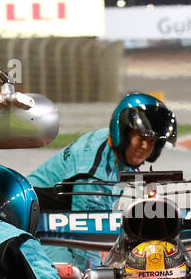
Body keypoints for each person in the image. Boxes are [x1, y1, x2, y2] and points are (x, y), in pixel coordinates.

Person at [29, 93, 178, 268]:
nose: (145, 147)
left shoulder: (115, 149)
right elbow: (85, 237)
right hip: (36, 225)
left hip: (59, 220)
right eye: (141, 138)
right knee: (71, 277)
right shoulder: (94, 173)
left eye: (152, 141)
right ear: (124, 133)